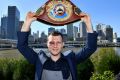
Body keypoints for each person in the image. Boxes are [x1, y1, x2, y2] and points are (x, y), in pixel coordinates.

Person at [17, 11, 98, 80]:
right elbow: (22, 46)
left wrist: (88, 23)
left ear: (63, 44)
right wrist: (27, 22)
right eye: (51, 42)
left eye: (58, 42)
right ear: (47, 44)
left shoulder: (71, 59)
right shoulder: (39, 59)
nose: (55, 45)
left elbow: (90, 48)